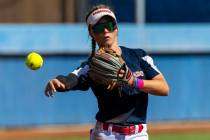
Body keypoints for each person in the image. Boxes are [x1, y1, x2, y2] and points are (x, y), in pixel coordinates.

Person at [44, 4, 169, 140]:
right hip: (105, 135)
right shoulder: (92, 66)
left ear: (116, 28)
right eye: (98, 27)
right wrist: (60, 82)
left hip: (137, 135)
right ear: (91, 32)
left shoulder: (138, 56)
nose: (105, 30)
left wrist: (134, 82)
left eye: (109, 25)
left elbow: (163, 88)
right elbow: (70, 79)